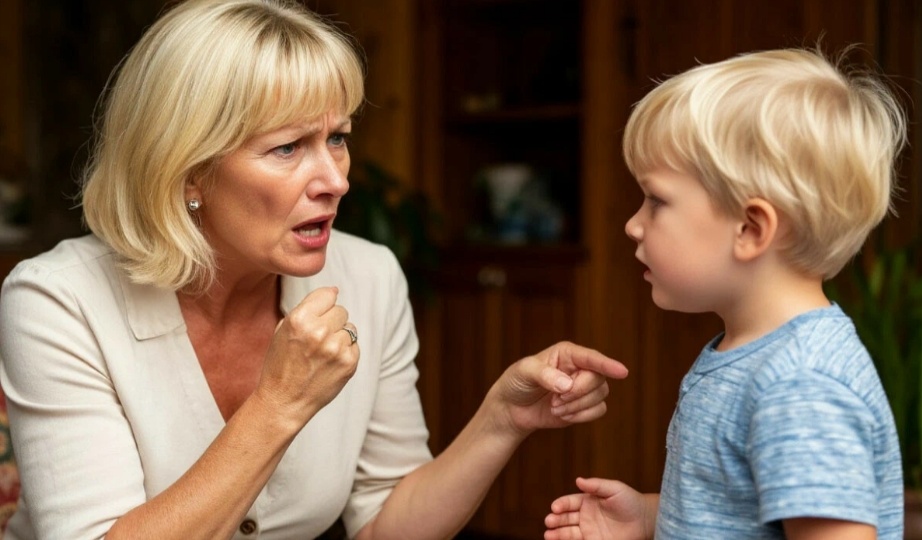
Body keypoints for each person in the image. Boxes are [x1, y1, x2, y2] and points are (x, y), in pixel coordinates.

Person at [0, 1, 630, 538]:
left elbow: (386, 520)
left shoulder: (369, 276)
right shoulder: (58, 301)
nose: (336, 179)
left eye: (337, 137)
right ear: (188, 171)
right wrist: (278, 404)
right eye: (287, 147)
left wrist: (501, 420)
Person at [545, 47, 906, 539]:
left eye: (656, 200)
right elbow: (740, 515)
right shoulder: (750, 356)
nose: (632, 225)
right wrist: (651, 517)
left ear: (750, 228)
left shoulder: (800, 382)